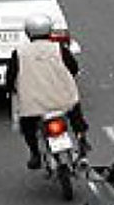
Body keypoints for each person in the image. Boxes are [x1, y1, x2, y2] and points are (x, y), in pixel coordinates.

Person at [5, 15, 90, 170]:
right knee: (75, 115)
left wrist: (9, 89)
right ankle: (81, 138)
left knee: (28, 126)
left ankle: (35, 154)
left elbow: (10, 77)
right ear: (49, 31)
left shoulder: (19, 53)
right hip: (63, 99)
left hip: (33, 104)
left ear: (28, 32)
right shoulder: (59, 49)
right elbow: (74, 68)